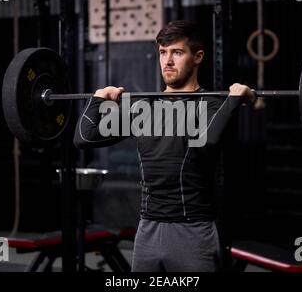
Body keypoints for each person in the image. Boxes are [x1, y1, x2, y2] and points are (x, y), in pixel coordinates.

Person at [74, 20, 255, 272]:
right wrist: (97, 99)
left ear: (197, 56)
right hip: (147, 230)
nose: (167, 61)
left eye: (177, 52)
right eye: (163, 52)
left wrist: (233, 100)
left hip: (192, 232)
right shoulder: (144, 108)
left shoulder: (212, 104)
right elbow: (84, 138)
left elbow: (207, 140)